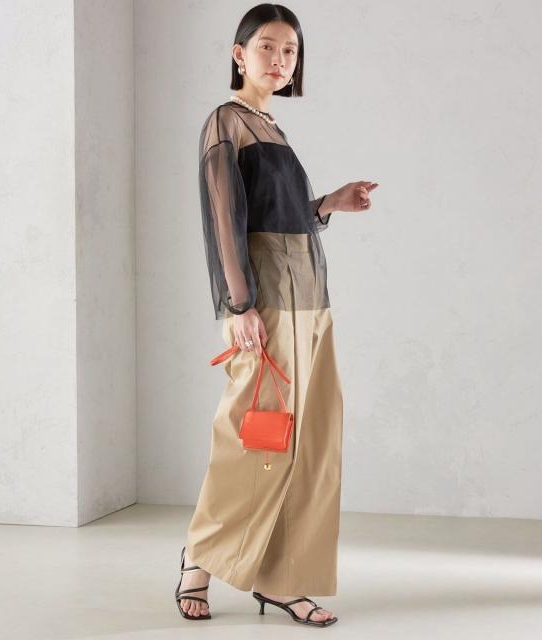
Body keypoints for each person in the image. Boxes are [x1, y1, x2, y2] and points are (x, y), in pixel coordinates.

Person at [175, 3, 378, 627]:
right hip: (265, 300)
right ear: (239, 54)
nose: (280, 59)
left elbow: (284, 216)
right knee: (257, 436)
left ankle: (285, 580)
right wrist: (239, 305)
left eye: (290, 50)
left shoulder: (272, 128)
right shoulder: (227, 122)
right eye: (267, 46)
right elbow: (225, 219)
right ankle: (199, 558)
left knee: (311, 443)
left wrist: (329, 203)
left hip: (310, 299)